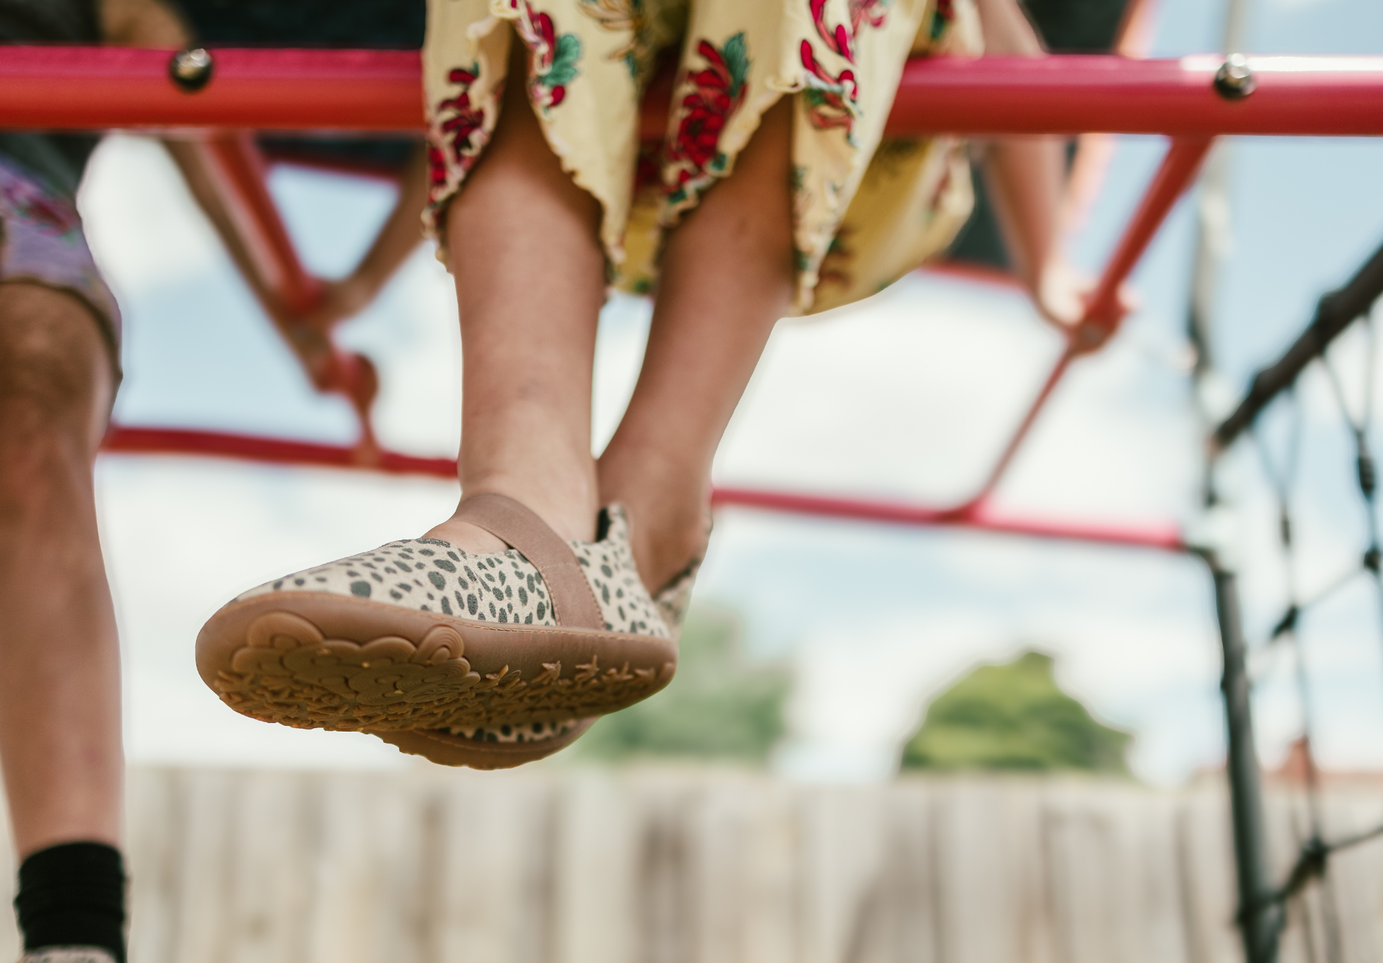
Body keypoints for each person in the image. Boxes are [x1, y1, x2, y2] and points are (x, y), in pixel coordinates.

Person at [198, 0, 1087, 770]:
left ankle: (656, 496)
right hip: (627, 149)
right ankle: (527, 508)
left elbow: (1019, 59)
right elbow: (503, 71)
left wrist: (1048, 266)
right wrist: (361, 281)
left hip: (861, 150)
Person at [0, 1, 425, 959]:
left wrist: (321, 315)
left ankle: (73, 929)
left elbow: (191, 104)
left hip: (11, 185)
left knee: (34, 419)